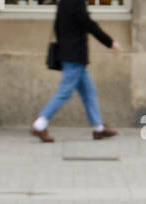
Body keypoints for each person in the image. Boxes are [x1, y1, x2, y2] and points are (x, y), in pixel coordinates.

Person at [31, 0, 121, 143]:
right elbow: (89, 25)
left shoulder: (63, 2)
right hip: (75, 55)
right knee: (65, 92)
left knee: (88, 92)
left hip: (69, 54)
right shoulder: (76, 2)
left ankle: (98, 128)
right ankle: (40, 124)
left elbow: (58, 27)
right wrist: (110, 42)